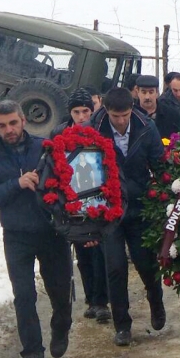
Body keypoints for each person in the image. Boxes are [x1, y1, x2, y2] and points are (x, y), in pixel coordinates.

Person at [0, 100, 72, 358]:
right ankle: (32, 352)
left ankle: (61, 326)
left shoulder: (45, 148)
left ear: (23, 120)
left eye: (13, 123)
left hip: (51, 231)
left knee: (59, 291)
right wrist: (16, 184)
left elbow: (68, 183)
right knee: (23, 295)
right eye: (2, 125)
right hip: (16, 235)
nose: (9, 129)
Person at [89, 88, 166, 346]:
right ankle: (122, 324)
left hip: (139, 206)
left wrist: (161, 198)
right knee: (115, 267)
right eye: (115, 115)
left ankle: (156, 300)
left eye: (124, 115)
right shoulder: (95, 128)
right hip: (109, 209)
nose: (120, 120)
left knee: (145, 263)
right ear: (106, 111)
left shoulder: (147, 127)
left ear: (131, 110)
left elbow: (159, 165)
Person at [49, 89, 111, 323]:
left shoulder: (100, 132)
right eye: (77, 111)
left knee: (99, 250)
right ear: (70, 113)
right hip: (73, 200)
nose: (82, 116)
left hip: (97, 198)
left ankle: (102, 300)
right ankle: (90, 298)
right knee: (83, 251)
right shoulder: (60, 133)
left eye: (86, 111)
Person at [134, 75, 180, 140]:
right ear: (137, 91)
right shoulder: (131, 115)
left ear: (157, 92)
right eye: (144, 92)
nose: (147, 97)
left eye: (151, 92)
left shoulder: (171, 115)